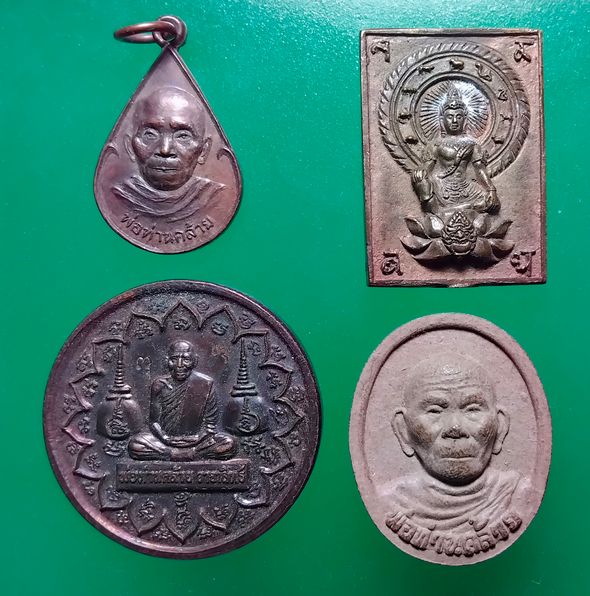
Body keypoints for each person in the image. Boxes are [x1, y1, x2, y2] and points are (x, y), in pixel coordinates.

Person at [383, 355, 528, 534]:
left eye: (472, 409)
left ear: (501, 426)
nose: (455, 427)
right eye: (434, 411)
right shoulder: (390, 502)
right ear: (403, 430)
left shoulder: (517, 493)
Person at [113, 87, 224, 222]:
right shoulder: (119, 195)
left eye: (183, 136)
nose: (165, 150)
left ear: (204, 150)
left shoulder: (216, 197)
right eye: (150, 134)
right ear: (129, 147)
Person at [128, 340, 235, 460]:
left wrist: (197, 439)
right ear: (166, 361)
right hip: (165, 443)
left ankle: (180, 454)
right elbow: (154, 422)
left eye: (186, 359)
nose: (179, 364)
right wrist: (164, 438)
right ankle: (183, 454)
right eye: (174, 359)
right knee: (135, 444)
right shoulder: (159, 384)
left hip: (198, 442)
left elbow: (210, 425)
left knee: (228, 443)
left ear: (195, 361)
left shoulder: (206, 384)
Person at [411, 85, 499, 215]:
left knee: (491, 202)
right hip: (442, 188)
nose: (454, 121)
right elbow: (428, 167)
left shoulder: (472, 144)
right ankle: (461, 209)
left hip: (468, 189)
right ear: (442, 119)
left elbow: (480, 169)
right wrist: (421, 172)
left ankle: (445, 212)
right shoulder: (436, 144)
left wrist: (491, 189)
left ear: (465, 119)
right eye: (450, 116)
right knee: (421, 181)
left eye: (459, 117)